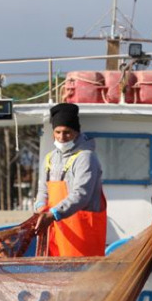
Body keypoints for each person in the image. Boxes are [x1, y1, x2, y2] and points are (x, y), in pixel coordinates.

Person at [33, 103, 106, 256]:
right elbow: (42, 190)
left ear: (77, 132)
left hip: (82, 235)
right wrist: (40, 207)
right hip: (56, 232)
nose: (61, 137)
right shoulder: (49, 158)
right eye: (57, 132)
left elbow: (81, 195)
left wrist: (52, 214)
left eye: (67, 132)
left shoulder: (86, 157)